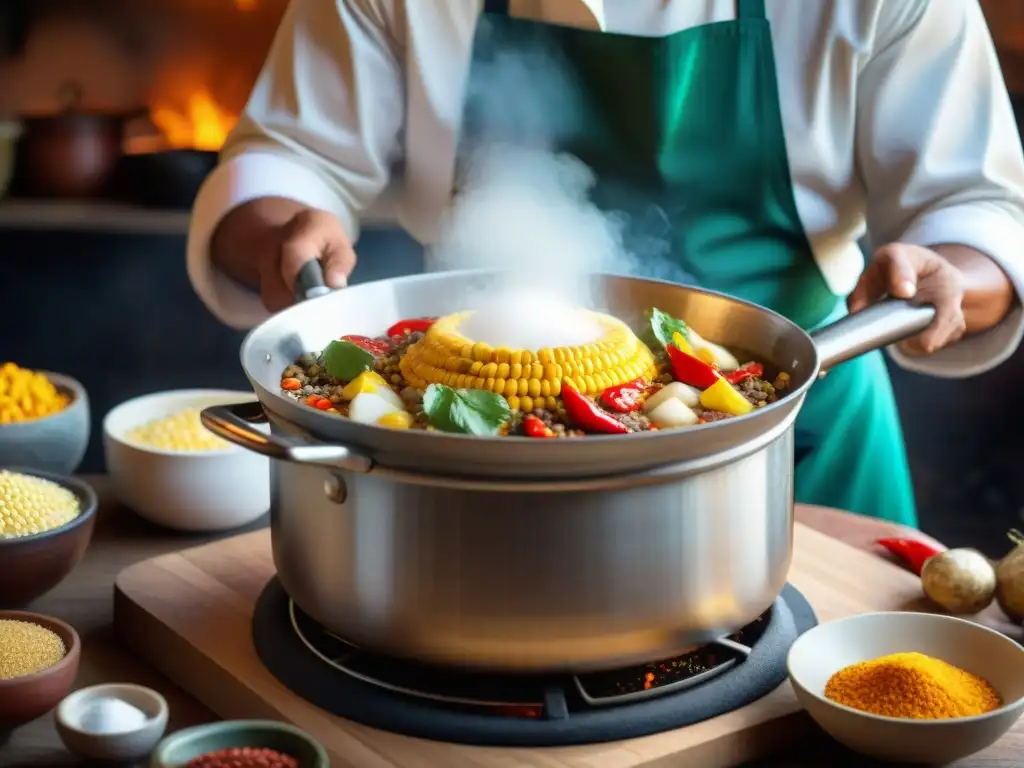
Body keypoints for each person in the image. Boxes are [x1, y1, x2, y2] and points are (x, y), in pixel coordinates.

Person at [187, 0, 1024, 528]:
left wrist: (951, 273)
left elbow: (983, 212)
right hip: (469, 464)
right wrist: (283, 229)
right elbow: (287, 158)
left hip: (801, 427)